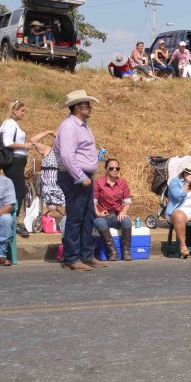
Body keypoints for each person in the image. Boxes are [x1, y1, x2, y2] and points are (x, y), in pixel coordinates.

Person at [54, 90, 107, 271]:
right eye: (87, 105)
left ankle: (86, 255)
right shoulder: (70, 127)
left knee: (88, 216)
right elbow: (67, 155)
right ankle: (72, 258)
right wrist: (80, 177)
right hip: (74, 176)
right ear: (77, 107)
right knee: (76, 217)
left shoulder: (83, 126)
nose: (90, 108)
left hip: (83, 176)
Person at [0, 100, 36, 236]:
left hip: (18, 161)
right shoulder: (9, 124)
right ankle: (12, 221)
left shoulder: (13, 124)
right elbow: (7, 142)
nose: (23, 113)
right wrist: (25, 146)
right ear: (14, 110)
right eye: (22, 110)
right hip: (14, 161)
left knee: (17, 190)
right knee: (18, 191)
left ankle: (12, 219)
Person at [92, 158, 134, 262]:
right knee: (100, 223)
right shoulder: (98, 183)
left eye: (117, 168)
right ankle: (112, 252)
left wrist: (123, 211)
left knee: (127, 221)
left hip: (117, 215)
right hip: (103, 215)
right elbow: (93, 202)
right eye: (111, 168)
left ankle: (126, 252)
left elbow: (128, 202)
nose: (114, 170)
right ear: (106, 169)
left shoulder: (122, 182)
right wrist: (98, 214)